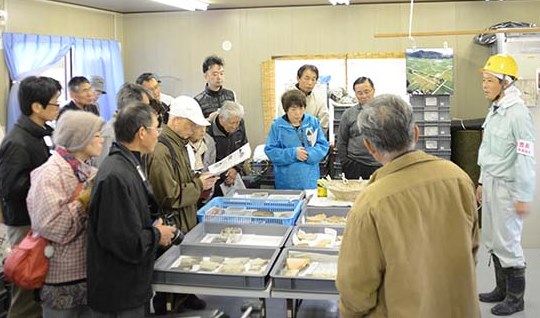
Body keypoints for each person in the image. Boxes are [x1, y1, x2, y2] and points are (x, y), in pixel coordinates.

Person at [336, 94, 480, 318]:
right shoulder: (458, 178)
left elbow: (356, 289)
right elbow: (471, 249)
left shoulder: (370, 203)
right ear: (415, 132)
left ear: (369, 146)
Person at [87, 102, 176, 317]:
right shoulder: (115, 175)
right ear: (142, 132)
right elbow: (123, 241)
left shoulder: (130, 164)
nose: (159, 134)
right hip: (119, 290)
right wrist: (157, 234)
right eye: (156, 128)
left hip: (132, 283)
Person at [27, 111, 104, 318]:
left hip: (87, 272)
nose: (102, 139)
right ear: (80, 138)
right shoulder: (51, 174)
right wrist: (83, 202)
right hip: (61, 277)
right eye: (96, 134)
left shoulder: (86, 170)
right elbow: (51, 226)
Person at [146, 96, 217, 314]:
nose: (194, 129)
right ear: (175, 121)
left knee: (184, 263)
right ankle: (167, 303)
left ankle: (184, 296)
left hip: (185, 217)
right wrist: (199, 184)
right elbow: (169, 195)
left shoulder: (178, 145)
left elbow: (182, 180)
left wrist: (199, 181)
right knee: (170, 268)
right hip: (172, 221)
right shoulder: (161, 150)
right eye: (191, 123)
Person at [476, 54, 536, 316]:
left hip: (508, 188)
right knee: (492, 238)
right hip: (490, 183)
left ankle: (515, 298)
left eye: (489, 80)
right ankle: (501, 289)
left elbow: (525, 157)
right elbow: (488, 150)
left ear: (506, 83)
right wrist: (480, 182)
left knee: (508, 241)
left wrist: (524, 195)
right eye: (484, 80)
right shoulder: (496, 109)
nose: (484, 85)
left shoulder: (518, 115)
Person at [0, 76, 61, 318]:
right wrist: (48, 183)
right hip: (26, 225)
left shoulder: (41, 133)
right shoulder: (17, 141)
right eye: (55, 103)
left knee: (39, 290)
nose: (58, 106)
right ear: (37, 107)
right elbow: (11, 189)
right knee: (26, 290)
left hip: (41, 222)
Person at [265, 89, 329, 190]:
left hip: (310, 179)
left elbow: (323, 145)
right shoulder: (277, 126)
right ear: (286, 110)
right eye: (293, 109)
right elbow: (271, 151)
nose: (298, 113)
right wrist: (293, 153)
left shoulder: (313, 122)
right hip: (286, 181)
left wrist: (308, 153)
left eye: (301, 108)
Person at [94, 82, 153, 167]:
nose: (149, 112)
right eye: (145, 107)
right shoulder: (109, 134)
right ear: (132, 108)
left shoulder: (133, 129)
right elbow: (104, 171)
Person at [337, 77, 381, 179]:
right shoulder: (348, 114)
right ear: (355, 94)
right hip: (355, 165)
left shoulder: (385, 112)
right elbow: (341, 141)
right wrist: (346, 162)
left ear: (373, 90)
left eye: (367, 91)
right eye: (359, 93)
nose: (364, 96)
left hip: (380, 164)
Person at [207, 101, 249, 197]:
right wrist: (225, 174)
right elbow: (208, 161)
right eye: (232, 123)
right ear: (221, 118)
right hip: (216, 180)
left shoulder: (240, 123)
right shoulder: (208, 131)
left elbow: (243, 148)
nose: (235, 126)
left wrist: (236, 169)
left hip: (235, 174)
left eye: (237, 122)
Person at [194, 55, 236, 120]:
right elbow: (197, 127)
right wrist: (209, 119)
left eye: (221, 73)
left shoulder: (231, 95)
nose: (219, 77)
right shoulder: (198, 101)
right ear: (205, 76)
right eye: (215, 74)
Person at [294, 64, 329, 134]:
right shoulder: (286, 97)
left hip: (312, 140)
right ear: (298, 78)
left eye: (313, 79)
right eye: (306, 78)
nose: (310, 83)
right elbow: (282, 122)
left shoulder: (319, 100)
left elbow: (324, 123)